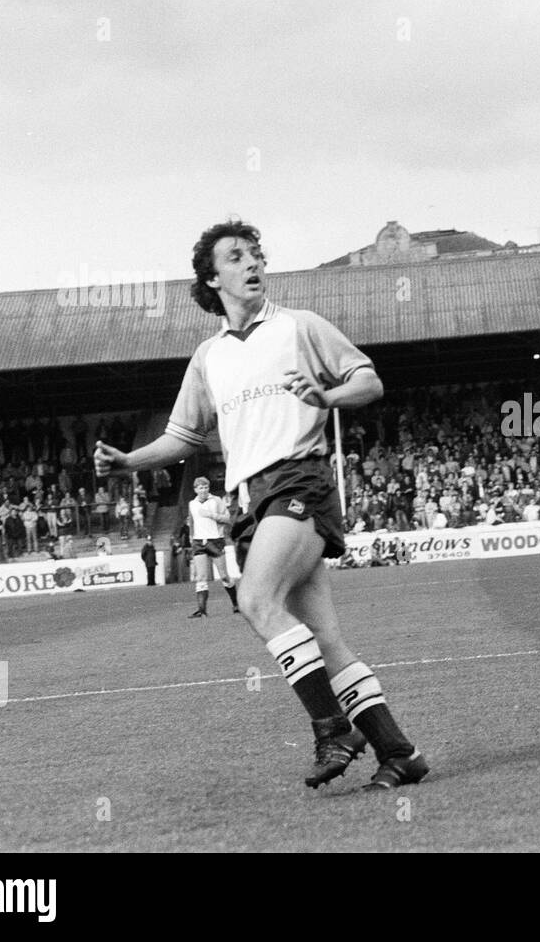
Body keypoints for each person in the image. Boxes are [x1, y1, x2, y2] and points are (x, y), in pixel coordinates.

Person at [94, 219, 426, 791]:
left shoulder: (300, 327)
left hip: (300, 482)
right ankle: (400, 753)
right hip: (251, 501)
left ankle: (333, 729)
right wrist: (128, 462)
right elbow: (184, 437)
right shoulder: (208, 357)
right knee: (324, 640)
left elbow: (368, 381)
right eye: (236, 256)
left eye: (256, 254)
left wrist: (329, 395)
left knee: (254, 597)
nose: (252, 264)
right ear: (212, 276)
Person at [186, 476, 240, 617]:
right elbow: (191, 522)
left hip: (215, 541)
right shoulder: (192, 503)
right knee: (201, 576)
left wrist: (210, 515)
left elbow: (228, 518)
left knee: (224, 576)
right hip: (198, 542)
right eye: (200, 488)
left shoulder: (216, 500)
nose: (203, 490)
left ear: (208, 488)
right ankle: (202, 610)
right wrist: (191, 538)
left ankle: (236, 604)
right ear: (195, 489)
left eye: (205, 487)